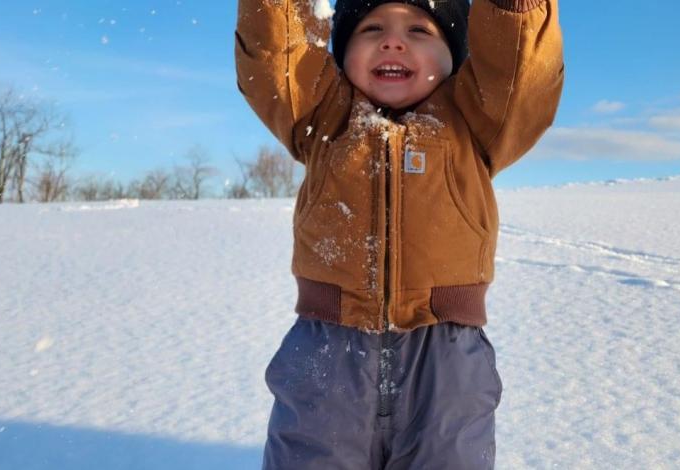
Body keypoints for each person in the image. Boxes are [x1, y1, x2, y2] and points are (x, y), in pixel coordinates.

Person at [235, 0, 563, 466]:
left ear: (456, 56)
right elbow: (277, 58)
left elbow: (521, 78)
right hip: (329, 348)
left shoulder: (476, 124)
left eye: (418, 30)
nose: (393, 40)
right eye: (370, 29)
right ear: (340, 51)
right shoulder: (321, 117)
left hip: (446, 358)